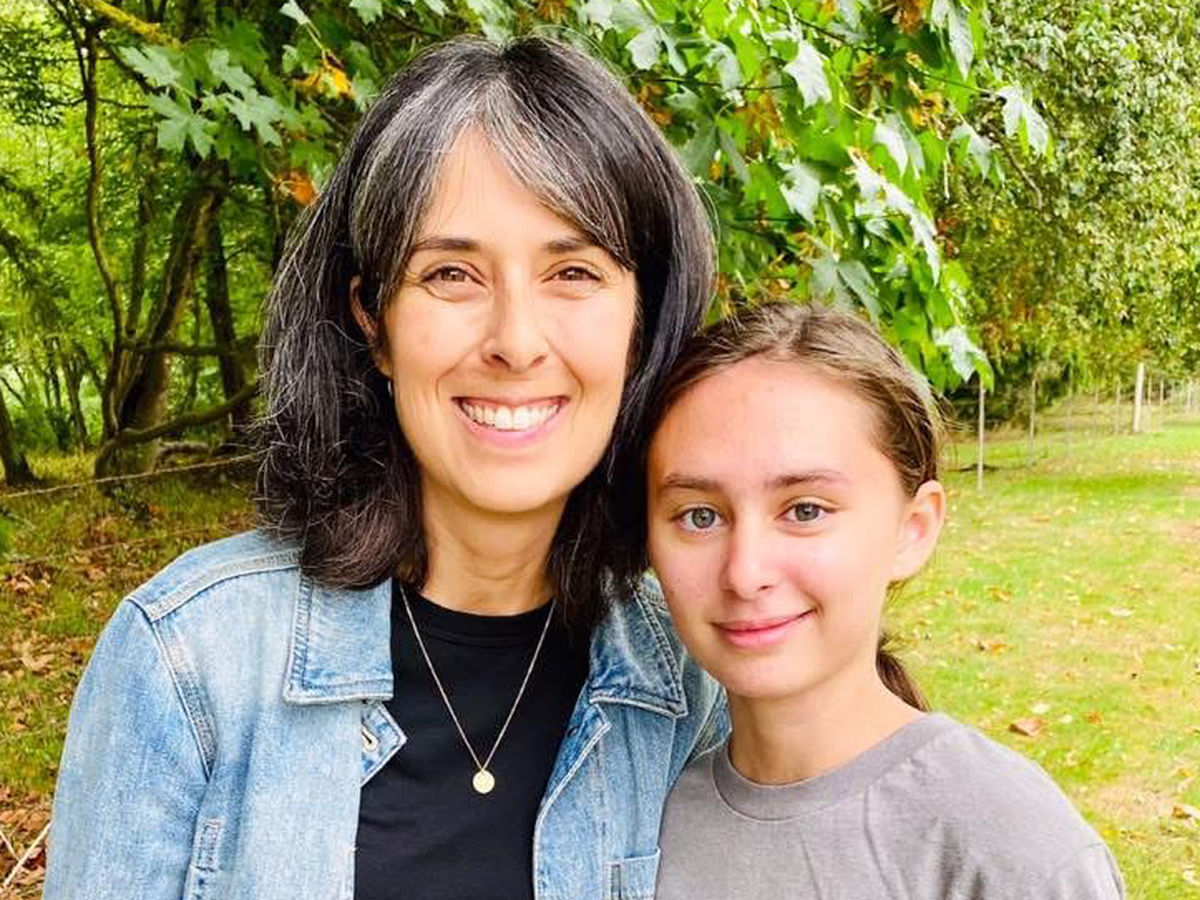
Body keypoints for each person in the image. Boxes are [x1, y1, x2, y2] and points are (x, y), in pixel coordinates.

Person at [44, 36, 725, 900]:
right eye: (452, 274)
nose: (516, 342)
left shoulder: (694, 676)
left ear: (641, 321)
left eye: (573, 272)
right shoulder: (189, 663)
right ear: (373, 321)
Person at [642, 302, 1125, 899]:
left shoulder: (1010, 853)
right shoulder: (635, 826)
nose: (745, 573)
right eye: (700, 516)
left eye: (805, 510)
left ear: (912, 530)